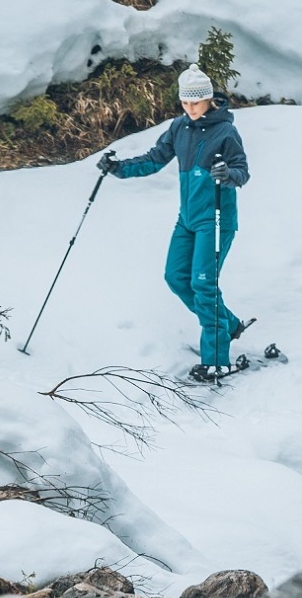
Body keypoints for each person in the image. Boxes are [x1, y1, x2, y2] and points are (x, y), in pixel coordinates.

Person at [100, 66, 251, 381]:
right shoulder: (179, 128)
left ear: (208, 99)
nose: (190, 109)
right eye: (185, 103)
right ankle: (228, 323)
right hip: (188, 220)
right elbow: (154, 159)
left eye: (195, 103)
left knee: (203, 285)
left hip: (217, 220)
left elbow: (242, 171)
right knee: (176, 277)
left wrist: (228, 175)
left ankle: (216, 360)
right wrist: (118, 167)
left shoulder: (226, 132)